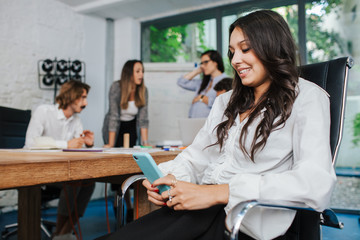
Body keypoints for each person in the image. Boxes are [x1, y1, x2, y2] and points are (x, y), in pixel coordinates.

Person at [97, 9, 336, 240]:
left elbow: (316, 183)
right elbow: (197, 157)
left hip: (243, 222)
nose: (235, 60)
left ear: (272, 46)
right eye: (232, 51)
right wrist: (165, 177)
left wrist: (218, 193)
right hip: (201, 211)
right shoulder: (226, 101)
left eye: (245, 49)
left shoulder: (307, 98)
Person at [25, 80, 95, 240]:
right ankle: (61, 233)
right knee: (73, 181)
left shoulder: (76, 120)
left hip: (61, 171)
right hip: (36, 170)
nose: (86, 102)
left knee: (89, 181)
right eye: (82, 97)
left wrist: (88, 145)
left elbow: (77, 151)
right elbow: (31, 142)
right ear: (71, 96)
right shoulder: (44, 111)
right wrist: (66, 144)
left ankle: (62, 232)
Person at [102, 59, 149, 148]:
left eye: (142, 71)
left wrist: (145, 143)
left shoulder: (143, 91)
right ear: (129, 73)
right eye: (138, 71)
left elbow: (143, 119)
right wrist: (111, 144)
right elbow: (113, 116)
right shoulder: (116, 87)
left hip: (131, 126)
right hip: (115, 128)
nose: (141, 75)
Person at [177, 50, 227, 118]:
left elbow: (225, 104)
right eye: (201, 63)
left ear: (215, 62)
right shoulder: (202, 82)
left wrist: (201, 98)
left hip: (209, 124)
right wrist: (198, 71)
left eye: (206, 62)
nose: (203, 66)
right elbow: (181, 82)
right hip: (193, 121)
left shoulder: (226, 81)